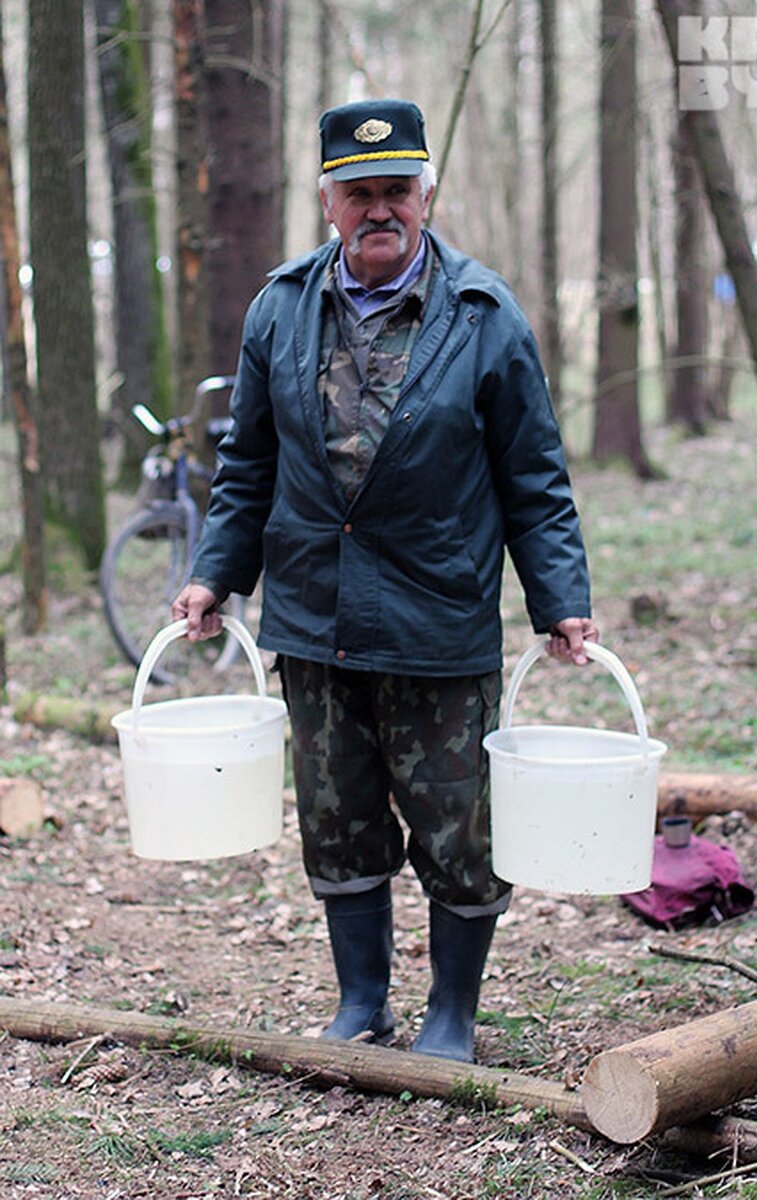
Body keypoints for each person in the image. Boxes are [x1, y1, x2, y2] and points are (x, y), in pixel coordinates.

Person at [173, 98, 598, 1064]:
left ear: (427, 195)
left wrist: (560, 598)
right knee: (338, 821)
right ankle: (362, 1002)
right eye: (358, 192)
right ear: (328, 204)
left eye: (396, 190)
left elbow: (534, 475)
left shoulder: (485, 317)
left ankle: (452, 1012)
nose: (380, 210)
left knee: (459, 831)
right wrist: (214, 575)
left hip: (438, 618)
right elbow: (248, 464)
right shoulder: (279, 308)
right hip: (314, 619)